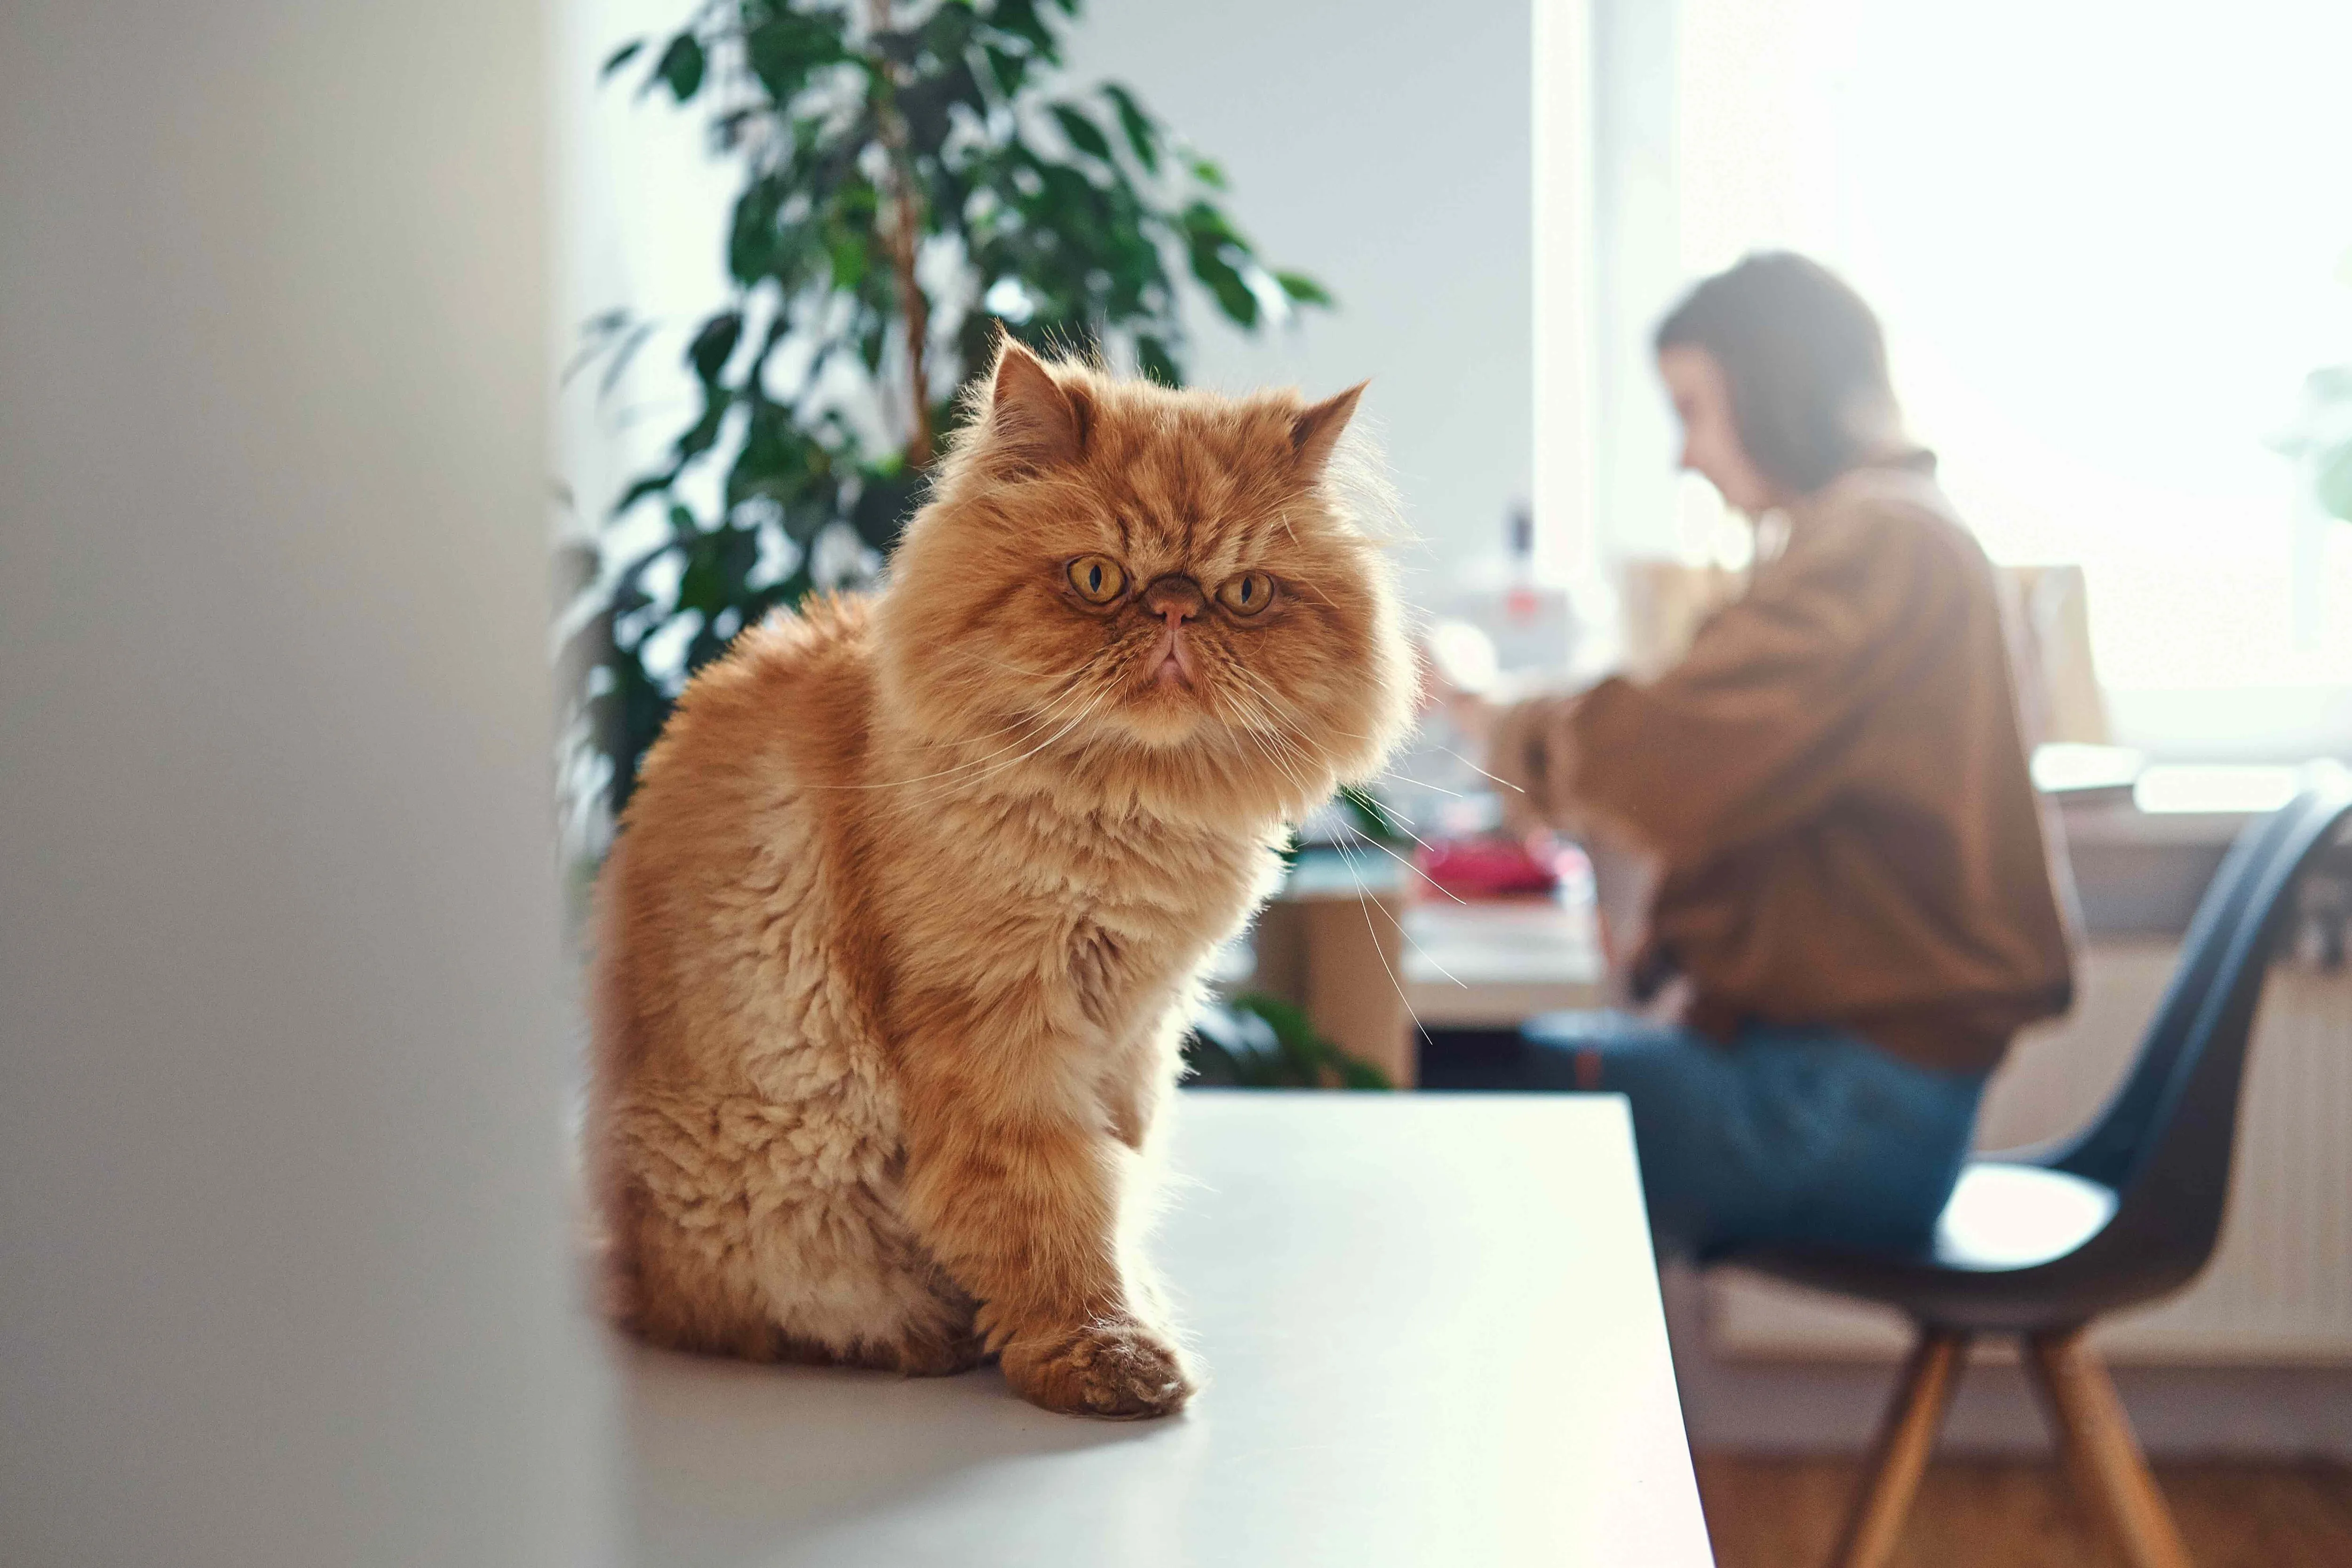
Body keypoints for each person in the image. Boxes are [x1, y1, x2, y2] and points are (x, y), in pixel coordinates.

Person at [1454, 252, 2075, 1261]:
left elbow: (1672, 755)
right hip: (1865, 1095)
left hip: (1846, 1114)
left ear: (1772, 385)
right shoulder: (1886, 534)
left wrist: (1501, 722)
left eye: (1693, 407)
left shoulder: (1882, 542)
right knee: (1474, 1070)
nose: (1686, 455)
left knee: (1436, 1080)